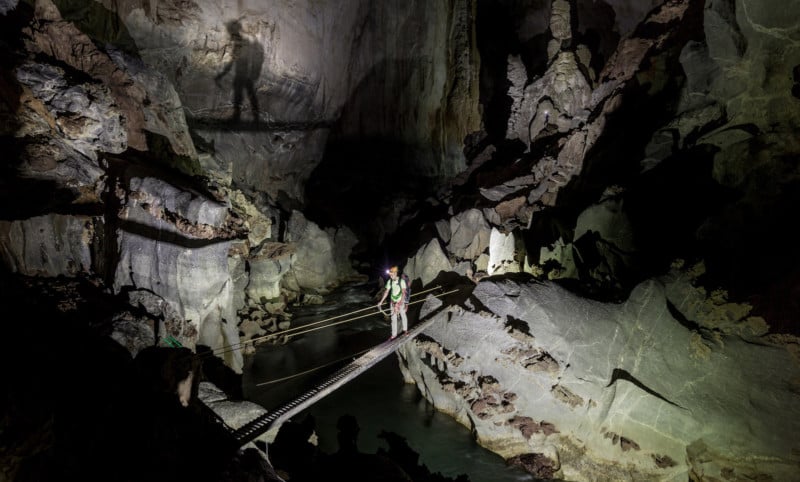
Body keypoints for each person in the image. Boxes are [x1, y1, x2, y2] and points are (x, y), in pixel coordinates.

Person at [215, 19, 263, 123]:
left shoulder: (242, 43)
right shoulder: (240, 43)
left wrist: (222, 74)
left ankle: (253, 118)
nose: (230, 34)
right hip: (242, 73)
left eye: (231, 31)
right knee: (243, 94)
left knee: (246, 94)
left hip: (244, 73)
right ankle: (251, 117)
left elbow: (236, 61)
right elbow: (234, 61)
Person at [377, 266, 408, 340]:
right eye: (390, 275)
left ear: (396, 273)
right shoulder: (390, 281)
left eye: (392, 274)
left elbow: (404, 293)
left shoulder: (401, 281)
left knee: (403, 315)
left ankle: (405, 330)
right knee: (393, 319)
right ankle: (394, 335)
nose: (391, 276)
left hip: (400, 301)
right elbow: (386, 292)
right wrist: (381, 302)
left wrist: (399, 304)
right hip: (393, 302)